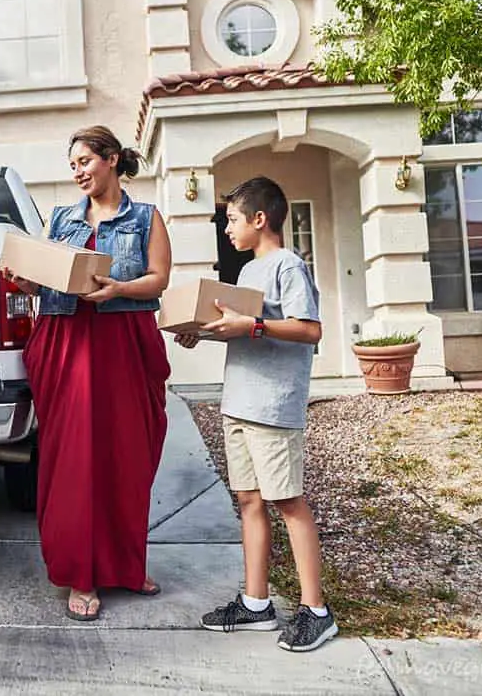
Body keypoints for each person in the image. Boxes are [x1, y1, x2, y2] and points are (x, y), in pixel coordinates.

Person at [5, 125, 172, 621]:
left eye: (84, 161)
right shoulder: (61, 219)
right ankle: (82, 574)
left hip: (122, 342)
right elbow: (51, 279)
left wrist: (119, 289)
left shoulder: (145, 218)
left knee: (128, 455)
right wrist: (26, 282)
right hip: (67, 342)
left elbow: (159, 278)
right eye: (72, 165)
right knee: (74, 459)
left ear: (112, 159)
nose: (77, 172)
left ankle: (125, 564)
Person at [174, 176, 337, 652]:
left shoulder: (288, 265)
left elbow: (309, 330)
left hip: (272, 405)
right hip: (239, 403)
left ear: (259, 219)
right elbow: (242, 330)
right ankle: (256, 602)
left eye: (232, 220)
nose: (227, 229)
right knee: (249, 502)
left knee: (288, 502)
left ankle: (316, 611)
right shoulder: (247, 274)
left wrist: (256, 324)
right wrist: (200, 332)